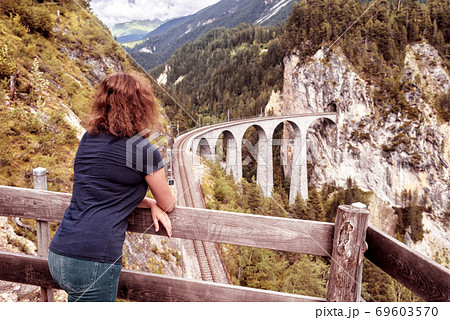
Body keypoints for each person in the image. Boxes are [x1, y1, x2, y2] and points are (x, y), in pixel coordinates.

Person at [48, 72, 175, 302]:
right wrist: (156, 204)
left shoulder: (88, 139)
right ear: (141, 106)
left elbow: (104, 188)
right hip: (94, 259)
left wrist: (146, 202)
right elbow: (169, 202)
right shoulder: (145, 151)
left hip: (60, 252)